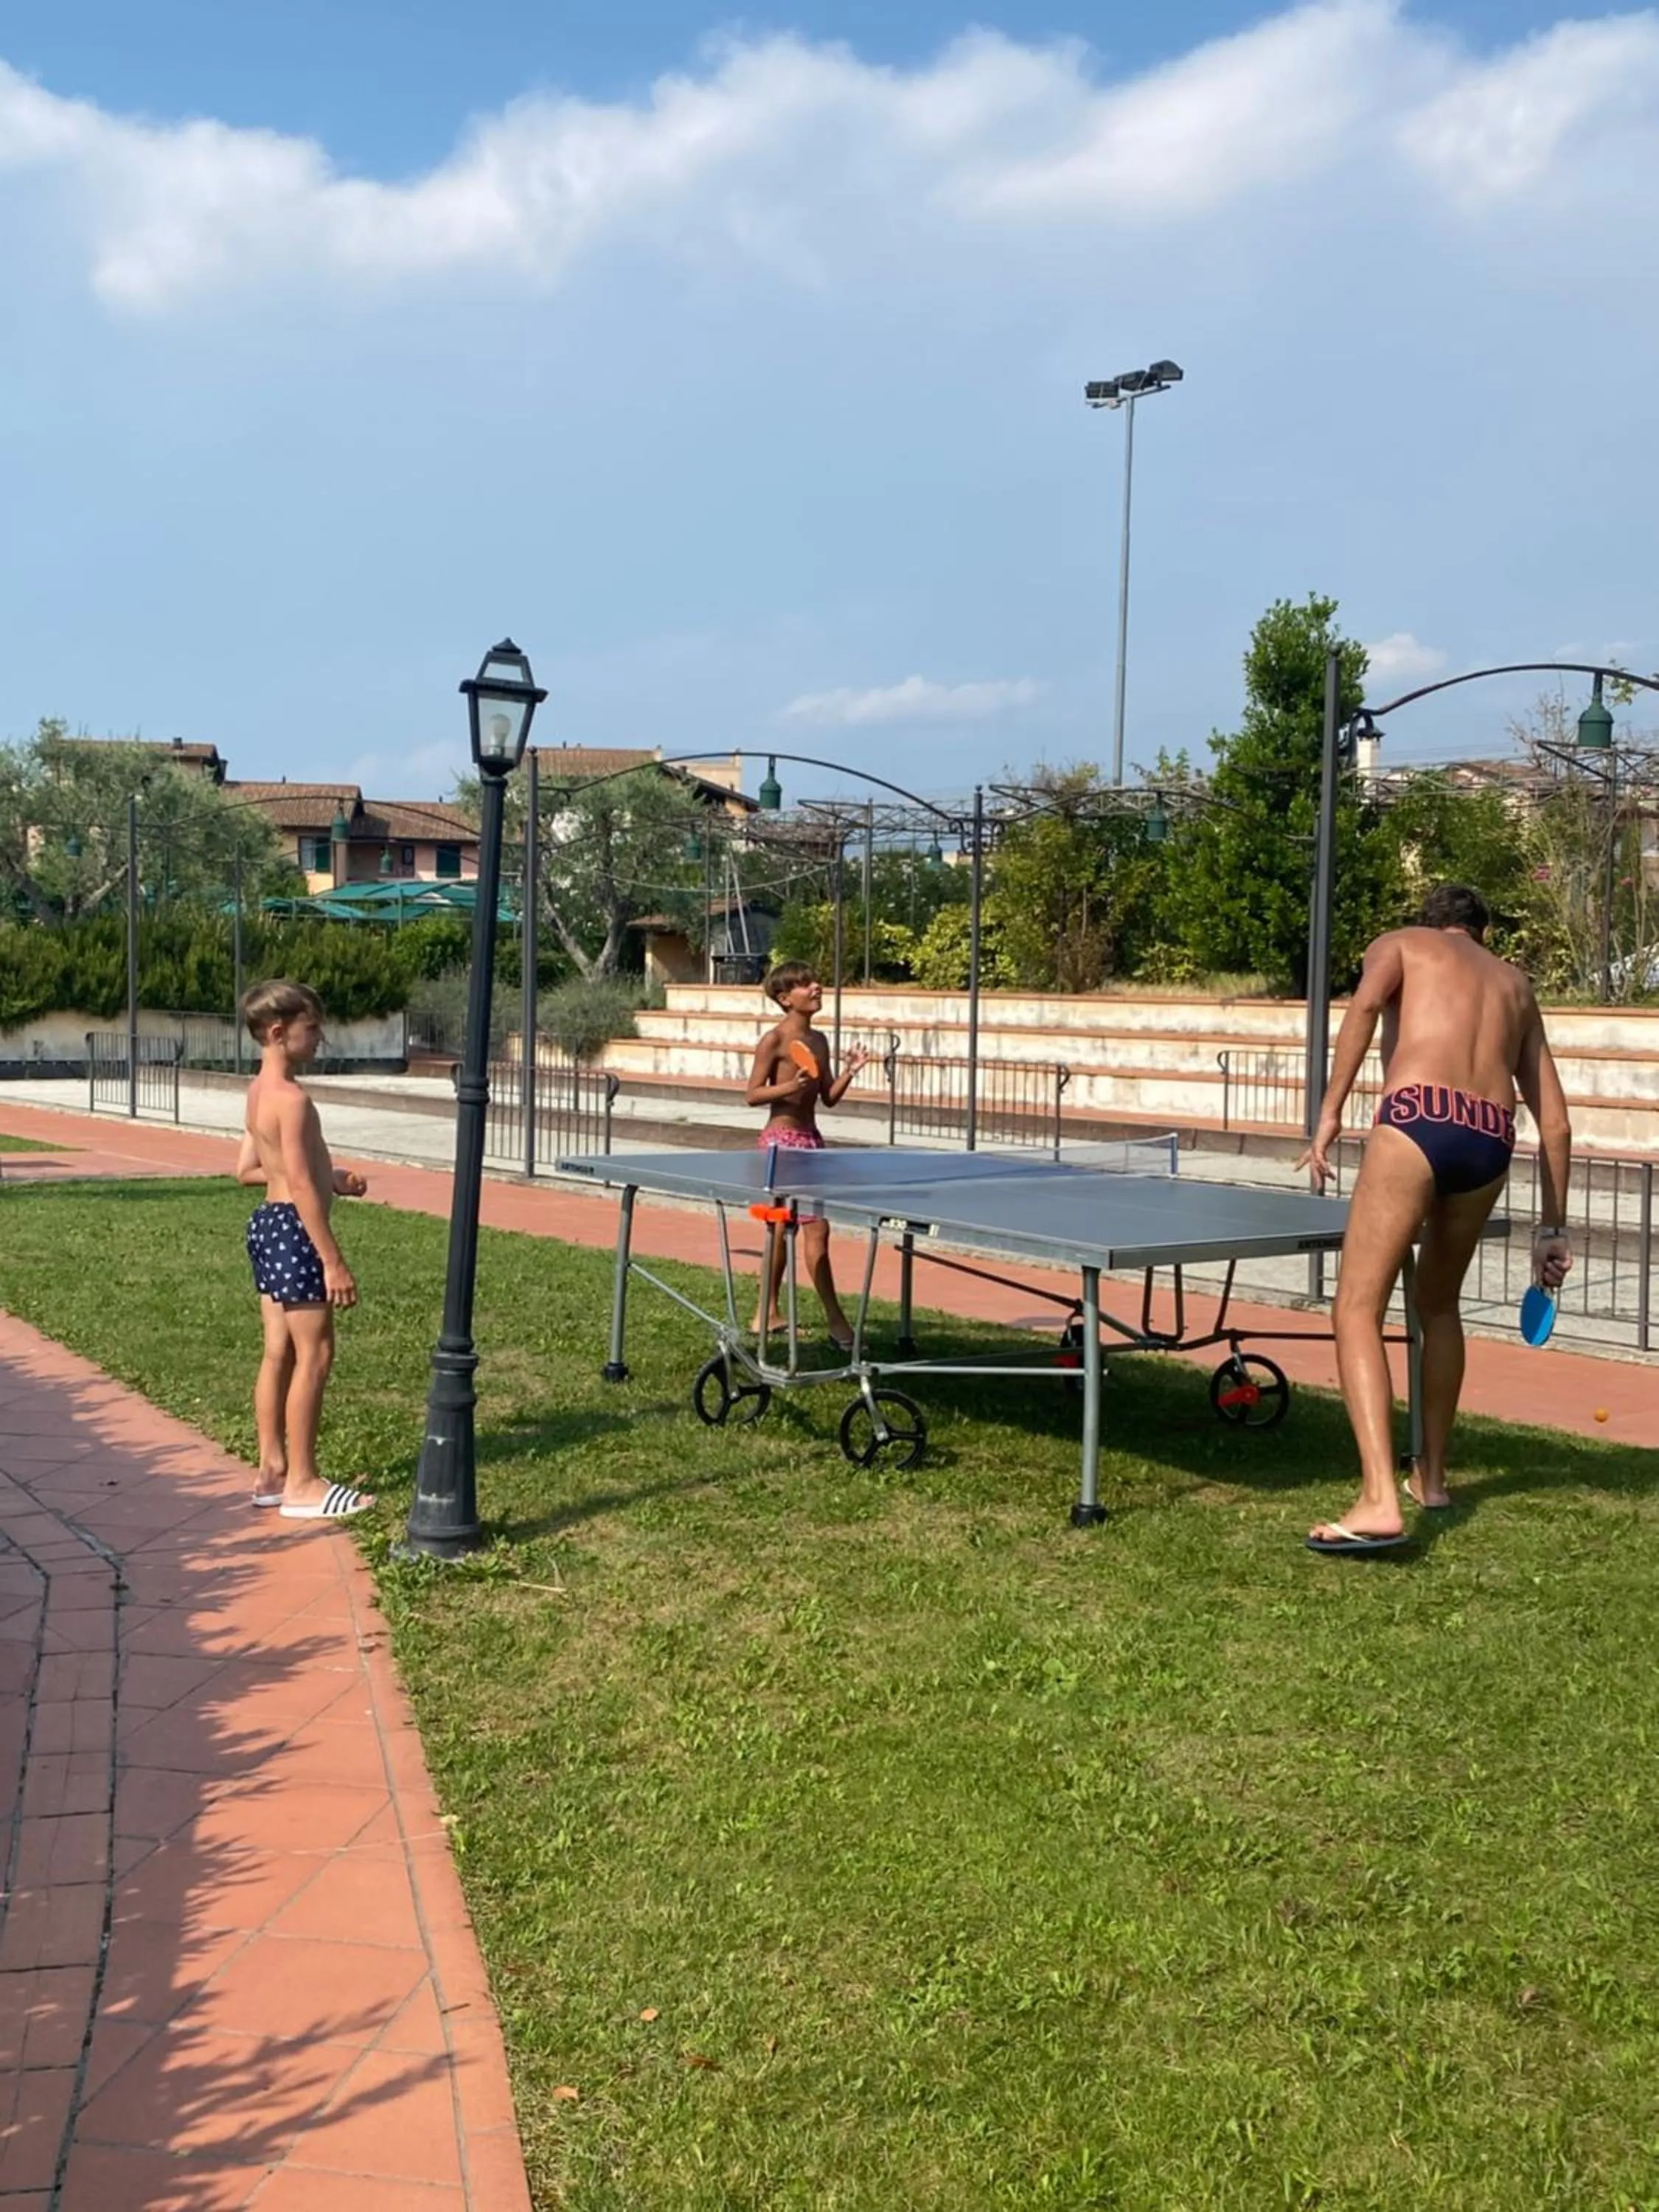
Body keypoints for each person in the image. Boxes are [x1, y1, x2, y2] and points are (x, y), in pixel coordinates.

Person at [1298, 884, 1572, 1555]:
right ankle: (1435, 1479)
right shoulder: (1516, 985)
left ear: (1432, 923)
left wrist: (1330, 1113)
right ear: (1481, 932)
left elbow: (1364, 1008)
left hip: (1419, 1114)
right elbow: (1557, 1123)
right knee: (1439, 1307)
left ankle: (1377, 1500)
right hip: (1489, 1136)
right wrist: (1551, 1228)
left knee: (1357, 1308)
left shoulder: (1399, 945)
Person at [234, 978, 374, 1521]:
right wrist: (333, 1261)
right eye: (310, 1028)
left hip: (269, 1224)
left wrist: (329, 1175)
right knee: (314, 1355)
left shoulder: (257, 1092)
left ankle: (271, 1471)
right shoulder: (292, 1101)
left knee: (279, 1353)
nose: (319, 1038)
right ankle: (303, 1484)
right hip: (295, 1231)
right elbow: (297, 1185)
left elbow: (252, 1170)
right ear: (278, 1032)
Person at [745, 960, 873, 1349]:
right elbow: (752, 1094)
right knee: (792, 1229)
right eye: (804, 985)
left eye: (815, 981)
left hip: (812, 1140)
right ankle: (833, 1324)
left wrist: (851, 1072)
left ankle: (767, 1315)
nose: (816, 987)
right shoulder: (774, 1040)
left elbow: (828, 1098)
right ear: (786, 999)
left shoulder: (819, 1041)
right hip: (780, 1143)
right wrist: (789, 1086)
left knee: (803, 1230)